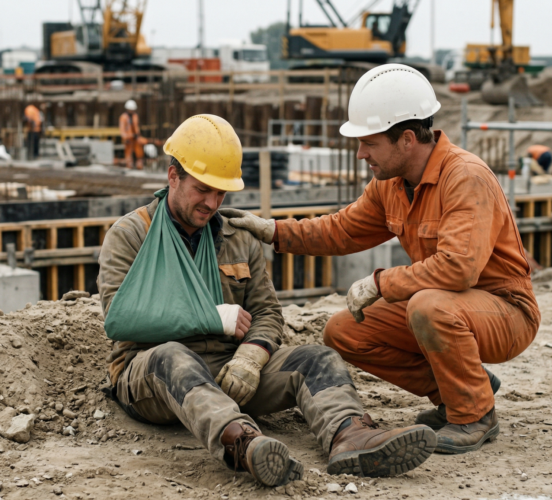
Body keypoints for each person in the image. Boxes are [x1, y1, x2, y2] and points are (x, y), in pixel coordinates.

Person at [97, 114, 436, 487]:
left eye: (221, 193)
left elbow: (267, 312)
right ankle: (243, 443)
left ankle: (350, 436)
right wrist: (211, 318)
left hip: (228, 370)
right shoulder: (131, 235)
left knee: (316, 358)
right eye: (202, 189)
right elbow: (120, 319)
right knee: (172, 356)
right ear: (172, 176)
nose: (212, 203)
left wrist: (252, 355)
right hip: (152, 377)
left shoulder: (235, 236)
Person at [223, 64, 541, 455]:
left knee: (427, 305)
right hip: (449, 308)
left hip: (506, 313)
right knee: (344, 331)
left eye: (369, 143)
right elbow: (340, 230)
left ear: (406, 139)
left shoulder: (465, 177)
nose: (360, 154)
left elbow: (458, 268)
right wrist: (274, 230)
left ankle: (474, 414)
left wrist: (379, 283)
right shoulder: (390, 184)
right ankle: (460, 387)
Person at [119, 99, 145, 169]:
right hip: (128, 138)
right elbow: (122, 129)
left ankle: (139, 165)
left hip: (135, 137)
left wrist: (138, 135)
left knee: (139, 151)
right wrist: (125, 138)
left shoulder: (135, 116)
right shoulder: (123, 117)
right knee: (128, 152)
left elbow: (136, 126)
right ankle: (129, 166)